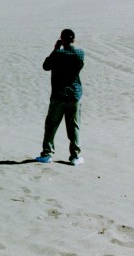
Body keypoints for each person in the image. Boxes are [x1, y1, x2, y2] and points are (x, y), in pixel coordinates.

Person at [36, 29, 85, 166]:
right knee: (73, 127)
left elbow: (46, 66)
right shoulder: (80, 53)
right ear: (73, 40)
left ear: (62, 39)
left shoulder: (58, 54)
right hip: (74, 95)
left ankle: (47, 153)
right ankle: (75, 156)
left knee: (51, 125)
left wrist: (55, 50)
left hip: (59, 95)